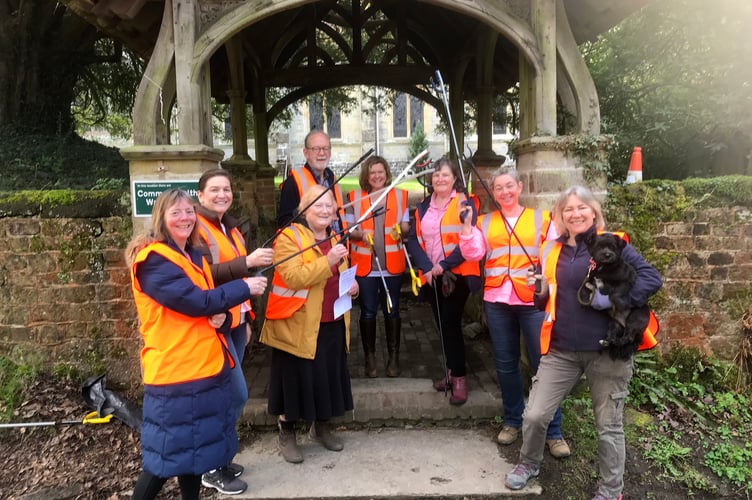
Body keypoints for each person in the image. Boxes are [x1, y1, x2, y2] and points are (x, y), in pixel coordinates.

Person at [504, 185, 662, 500]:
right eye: (568, 209)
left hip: (607, 352)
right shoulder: (550, 249)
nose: (575, 214)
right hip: (561, 348)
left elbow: (651, 278)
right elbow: (545, 299)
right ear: (560, 216)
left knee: (609, 425)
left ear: (593, 211)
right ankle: (528, 463)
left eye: (581, 208)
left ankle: (611, 490)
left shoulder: (615, 243)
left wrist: (616, 300)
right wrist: (539, 293)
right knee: (535, 414)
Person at [125, 189, 268, 499]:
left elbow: (209, 312)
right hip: (174, 375)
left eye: (189, 212)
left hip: (204, 369)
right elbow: (196, 302)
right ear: (161, 218)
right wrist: (243, 287)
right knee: (163, 461)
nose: (185, 218)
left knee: (194, 457)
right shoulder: (152, 261)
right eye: (176, 212)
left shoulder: (193, 256)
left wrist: (226, 320)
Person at [458, 167, 570, 458]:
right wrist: (467, 228)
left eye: (509, 186)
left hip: (532, 301)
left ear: (520, 187)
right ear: (493, 192)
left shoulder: (541, 219)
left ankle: (553, 430)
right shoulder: (484, 221)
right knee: (505, 364)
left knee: (543, 366)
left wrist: (545, 276)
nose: (504, 192)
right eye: (499, 188)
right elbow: (473, 254)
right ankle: (512, 420)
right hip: (497, 299)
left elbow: (556, 253)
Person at [261, 184, 359, 464]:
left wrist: (353, 287)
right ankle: (287, 433)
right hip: (296, 323)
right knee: (293, 381)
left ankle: (321, 427)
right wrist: (327, 260)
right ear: (304, 209)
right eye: (318, 205)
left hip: (332, 320)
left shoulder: (335, 236)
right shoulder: (289, 237)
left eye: (329, 205)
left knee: (326, 378)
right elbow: (292, 277)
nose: (325, 210)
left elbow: (341, 274)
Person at [195, 168, 274, 491]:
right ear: (200, 195)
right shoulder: (196, 229)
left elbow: (243, 286)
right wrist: (248, 262)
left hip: (235, 323)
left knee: (229, 396)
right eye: (214, 190)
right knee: (233, 394)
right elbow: (202, 275)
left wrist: (247, 319)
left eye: (226, 189)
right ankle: (211, 466)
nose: (221, 195)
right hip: (215, 324)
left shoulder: (231, 228)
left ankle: (221, 458)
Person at [407, 157, 481, 405]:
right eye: (436, 175)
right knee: (441, 325)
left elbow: (468, 239)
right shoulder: (423, 206)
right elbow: (414, 240)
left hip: (455, 275)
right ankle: (450, 372)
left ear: (454, 179)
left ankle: (459, 378)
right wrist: (427, 267)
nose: (439, 179)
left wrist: (443, 265)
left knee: (450, 325)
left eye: (445, 175)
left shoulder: (465, 203)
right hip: (431, 276)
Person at [345, 156, 410, 377]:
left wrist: (402, 230)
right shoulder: (354, 197)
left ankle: (394, 358)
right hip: (366, 267)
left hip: (392, 266)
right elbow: (348, 230)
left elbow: (406, 225)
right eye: (372, 172)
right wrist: (359, 234)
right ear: (366, 175)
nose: (377, 176)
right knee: (368, 312)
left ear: (387, 173)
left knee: (392, 311)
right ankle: (369, 357)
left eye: (380, 172)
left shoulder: (400, 196)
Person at [277, 129, 346, 232]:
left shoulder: (333, 179)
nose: (322, 153)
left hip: (337, 244)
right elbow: (285, 223)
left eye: (325, 148)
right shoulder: (292, 183)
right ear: (306, 153)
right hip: (312, 246)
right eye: (316, 149)